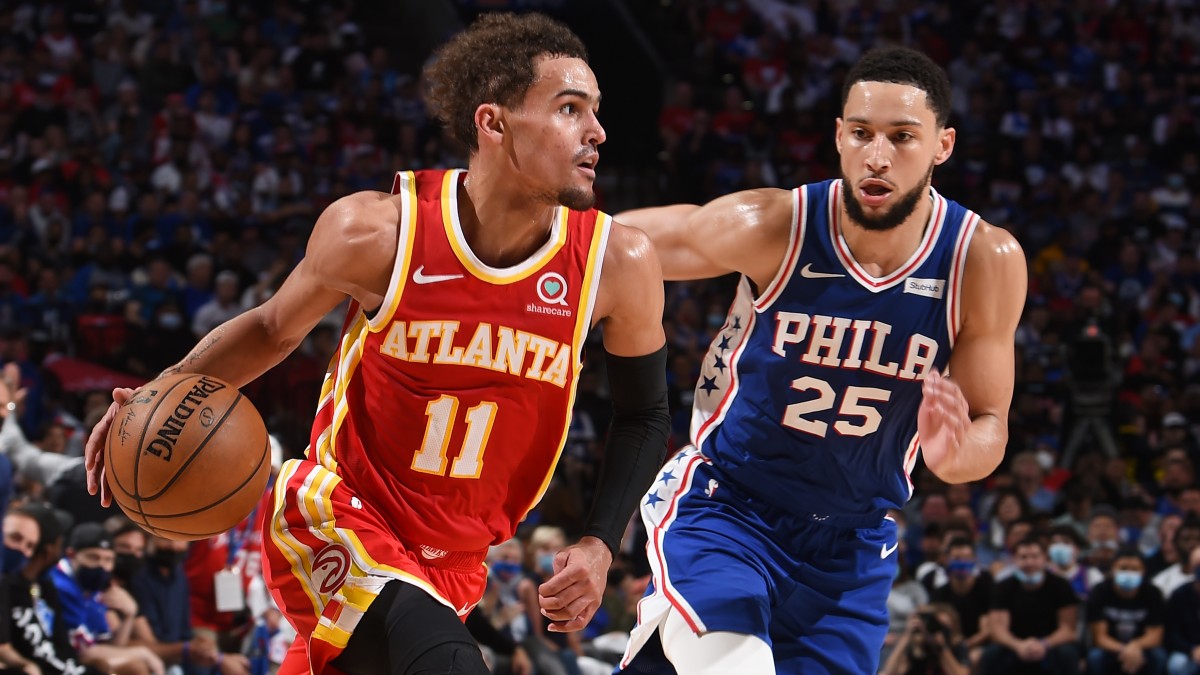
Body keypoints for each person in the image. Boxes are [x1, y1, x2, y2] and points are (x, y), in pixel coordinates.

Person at [84, 12, 670, 675]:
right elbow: (274, 327)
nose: (597, 132)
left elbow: (645, 412)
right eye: (570, 109)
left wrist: (598, 542)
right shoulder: (379, 232)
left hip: (457, 566)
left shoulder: (617, 263)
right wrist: (159, 391)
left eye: (595, 111)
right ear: (494, 122)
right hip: (338, 515)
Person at [616, 46, 1026, 674]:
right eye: (861, 133)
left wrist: (956, 453)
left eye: (902, 137)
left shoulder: (982, 261)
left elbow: (991, 422)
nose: (877, 156)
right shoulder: (778, 225)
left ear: (942, 145)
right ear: (838, 135)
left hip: (851, 548)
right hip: (729, 508)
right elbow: (610, 249)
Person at [981, 538, 1080, 675]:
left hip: (1051, 643)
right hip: (1014, 643)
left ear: (1045, 558)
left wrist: (1044, 644)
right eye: (1023, 557)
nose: (1029, 562)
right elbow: (997, 629)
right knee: (992, 653)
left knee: (1067, 653)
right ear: (1014, 559)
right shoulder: (1003, 587)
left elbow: (1068, 628)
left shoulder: (1061, 585)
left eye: (1035, 557)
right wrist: (1018, 645)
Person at [1085, 546, 1166, 675]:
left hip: (1141, 647)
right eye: (1123, 568)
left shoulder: (1153, 593)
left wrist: (1135, 646)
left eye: (1135, 569)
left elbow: (1155, 636)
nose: (1129, 573)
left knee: (1159, 655)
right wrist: (1125, 649)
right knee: (1096, 656)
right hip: (1111, 648)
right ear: (1112, 570)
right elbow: (1099, 637)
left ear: (1144, 571)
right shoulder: (1100, 592)